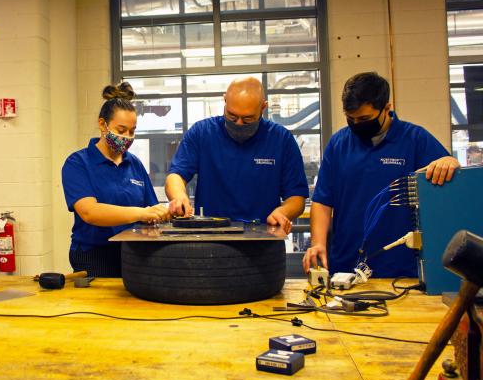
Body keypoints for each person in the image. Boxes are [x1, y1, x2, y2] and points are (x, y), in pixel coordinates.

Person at [303, 72, 460, 278]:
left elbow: (448, 173)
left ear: (387, 108)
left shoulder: (415, 139)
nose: (357, 124)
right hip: (346, 267)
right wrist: (318, 244)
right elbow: (322, 202)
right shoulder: (338, 144)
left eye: (364, 118)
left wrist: (450, 162)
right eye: (351, 119)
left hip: (400, 269)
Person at [165, 76, 308, 233]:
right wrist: (179, 197)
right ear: (225, 101)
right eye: (232, 116)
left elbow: (296, 197)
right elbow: (176, 175)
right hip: (211, 238)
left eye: (248, 119)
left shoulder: (281, 140)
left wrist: (283, 212)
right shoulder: (201, 133)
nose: (239, 124)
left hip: (263, 240)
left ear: (263, 107)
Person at [61, 83, 170, 277]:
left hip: (133, 253)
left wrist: (167, 211)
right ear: (102, 124)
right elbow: (90, 212)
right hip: (94, 256)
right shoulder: (78, 163)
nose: (127, 137)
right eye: (121, 129)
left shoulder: (134, 163)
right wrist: (141, 213)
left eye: (132, 131)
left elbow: (150, 210)